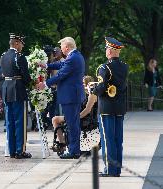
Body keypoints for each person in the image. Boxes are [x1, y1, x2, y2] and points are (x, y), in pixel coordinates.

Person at [36, 37, 85, 159]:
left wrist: (45, 84)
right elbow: (60, 64)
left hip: (71, 96)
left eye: (62, 46)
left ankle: (74, 151)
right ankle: (74, 149)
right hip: (72, 95)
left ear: (67, 47)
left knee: (72, 124)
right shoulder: (74, 56)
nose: (61, 49)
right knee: (72, 123)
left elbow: (62, 74)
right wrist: (46, 65)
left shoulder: (73, 58)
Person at [91, 37, 128, 177]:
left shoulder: (104, 67)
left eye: (107, 49)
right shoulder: (124, 66)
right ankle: (117, 169)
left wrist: (91, 90)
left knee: (108, 139)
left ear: (111, 51)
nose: (106, 51)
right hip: (119, 108)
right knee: (118, 139)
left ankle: (110, 170)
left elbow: (100, 88)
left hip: (106, 107)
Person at [0, 33, 32, 159]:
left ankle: (12, 150)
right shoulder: (19, 57)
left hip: (6, 88)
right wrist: (30, 83)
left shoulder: (3, 56)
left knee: (9, 121)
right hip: (18, 89)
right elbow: (26, 77)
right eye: (22, 44)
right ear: (17, 43)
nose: (22, 47)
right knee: (20, 121)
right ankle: (20, 150)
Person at [51, 75, 98, 149]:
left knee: (55, 119)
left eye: (83, 83)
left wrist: (75, 118)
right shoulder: (82, 94)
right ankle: (62, 142)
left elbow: (87, 110)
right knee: (55, 119)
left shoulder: (91, 95)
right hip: (78, 116)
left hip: (84, 119)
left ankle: (62, 143)